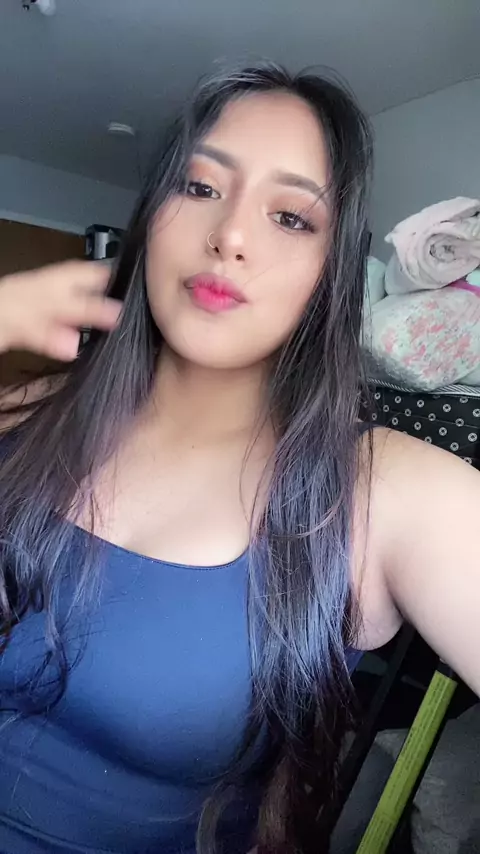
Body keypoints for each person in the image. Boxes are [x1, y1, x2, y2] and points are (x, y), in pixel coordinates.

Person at [0, 61, 478, 854]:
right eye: (199, 187)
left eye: (291, 217)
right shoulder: (31, 411)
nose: (230, 236)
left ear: (332, 273)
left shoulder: (385, 490)